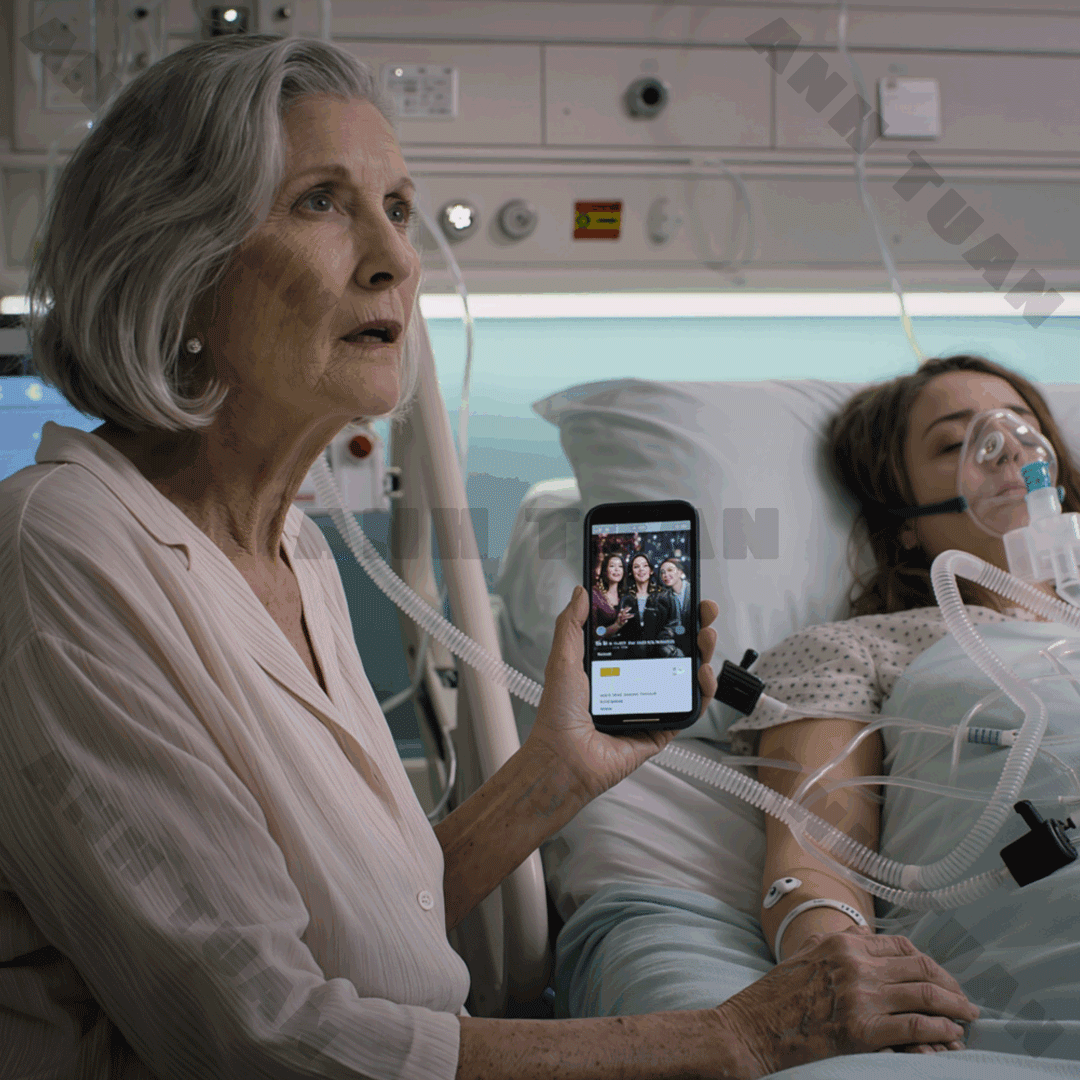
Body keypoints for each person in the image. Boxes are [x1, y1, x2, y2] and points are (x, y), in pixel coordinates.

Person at [0, 35, 982, 1080]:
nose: (395, 258)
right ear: (175, 263)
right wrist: (735, 1035)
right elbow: (262, 1036)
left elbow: (367, 931)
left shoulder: (293, 552)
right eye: (320, 202)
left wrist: (556, 774)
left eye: (398, 207)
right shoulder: (61, 555)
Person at [618, 553, 683, 658]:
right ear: (631, 572)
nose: (641, 569)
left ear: (651, 570)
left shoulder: (665, 595)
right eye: (636, 567)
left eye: (645, 566)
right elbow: (623, 633)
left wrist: (663, 642)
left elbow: (675, 623)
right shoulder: (626, 599)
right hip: (632, 656)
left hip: (661, 654)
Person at [591, 552, 634, 639]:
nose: (617, 569)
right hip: (602, 646)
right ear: (605, 570)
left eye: (620, 566)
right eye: (612, 566)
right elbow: (594, 633)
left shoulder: (626, 596)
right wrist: (616, 625)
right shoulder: (595, 594)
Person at [659, 557, 693, 659]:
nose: (665, 575)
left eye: (670, 570)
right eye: (662, 572)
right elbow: (666, 629)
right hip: (677, 649)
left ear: (680, 572)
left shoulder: (692, 590)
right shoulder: (664, 598)